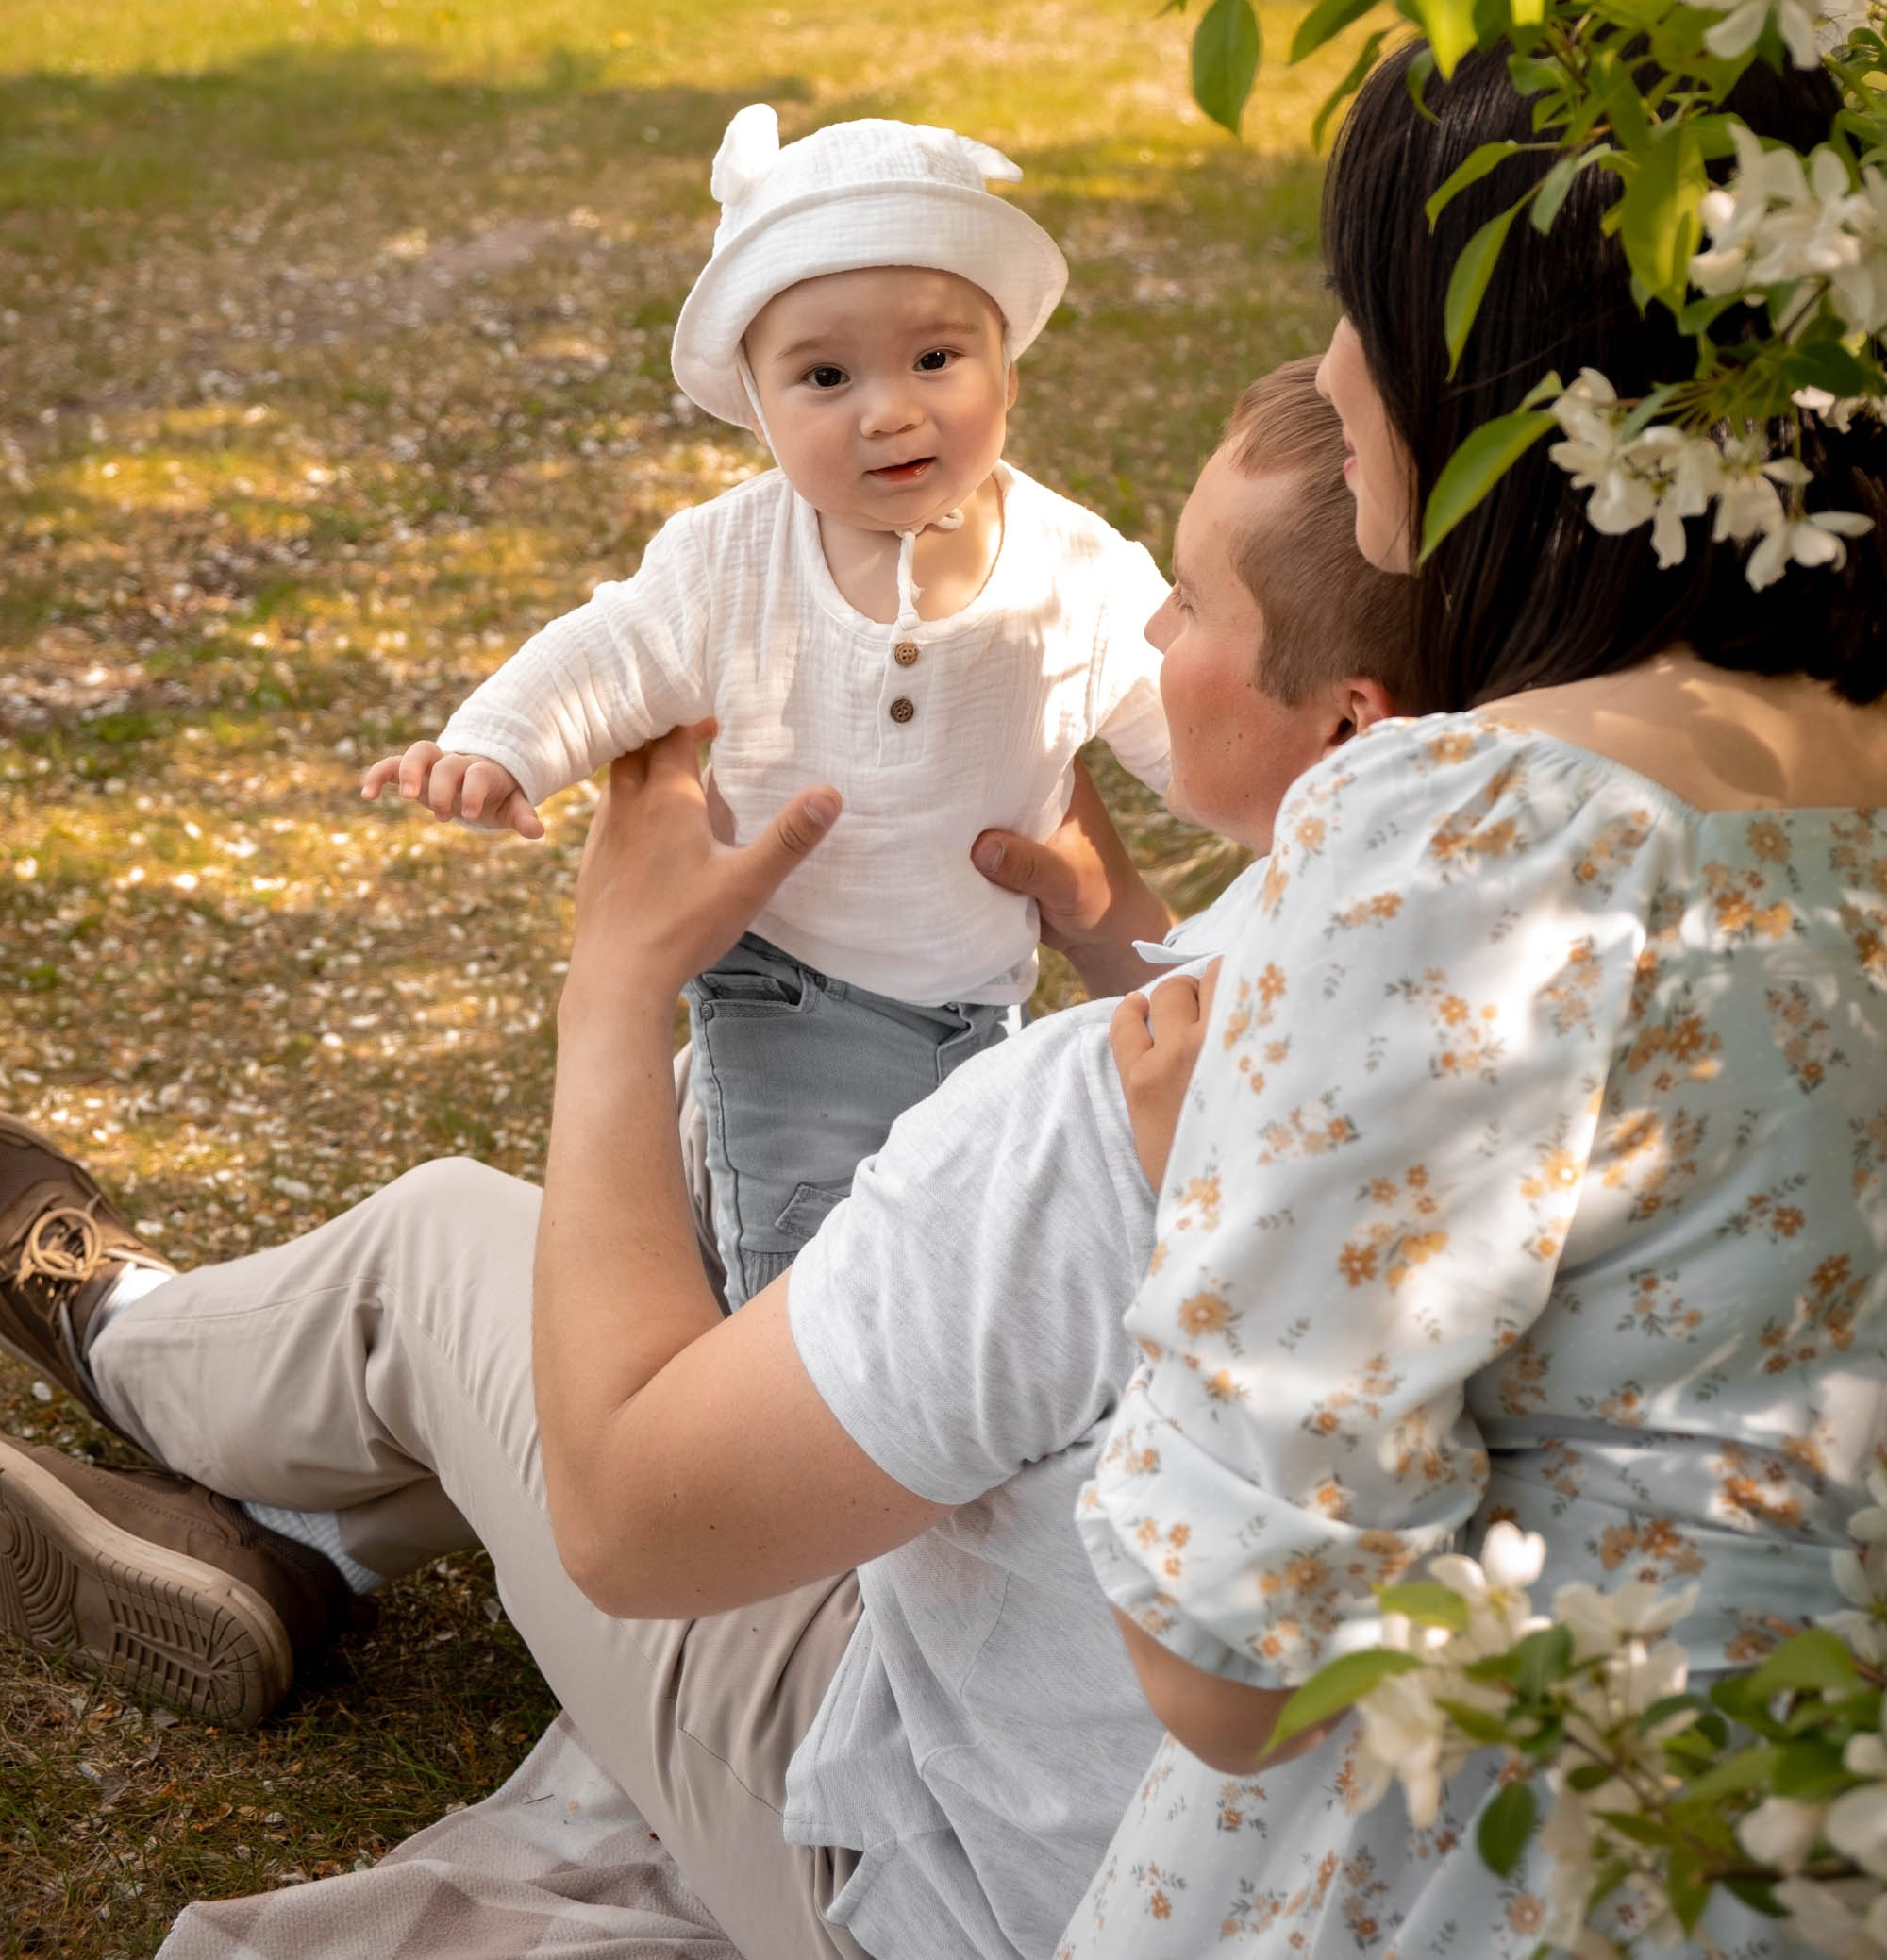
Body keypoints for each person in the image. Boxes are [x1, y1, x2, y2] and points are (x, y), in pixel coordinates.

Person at [0, 363, 1410, 1960]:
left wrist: (612, 982)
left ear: (1350, 722)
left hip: (931, 1885)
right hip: (1265, 1876)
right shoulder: (1554, 1007)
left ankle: (107, 1328)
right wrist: (1109, 929)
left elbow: (634, 1515)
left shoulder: (1108, 1124)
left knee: (448, 1244)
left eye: (1196, 606)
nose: (1150, 635)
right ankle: (298, 1544)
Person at [1061, 42, 1887, 1960]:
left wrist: (1206, 1175)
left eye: (1363, 313)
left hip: (1510, 1870)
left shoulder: (1485, 836)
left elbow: (1232, 1670)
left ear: (1531, 398)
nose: (1333, 374)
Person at [361, 104, 1173, 1302]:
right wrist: (503, 744)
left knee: (953, 1252)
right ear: (757, 403)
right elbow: (609, 653)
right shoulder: (729, 562)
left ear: (1006, 358)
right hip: (789, 980)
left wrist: (1319, 793)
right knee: (809, 1273)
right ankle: (747, 1428)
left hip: (980, 994)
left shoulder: (1075, 571)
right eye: (826, 375)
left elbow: (1187, 712)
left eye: (935, 359)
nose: (887, 409)